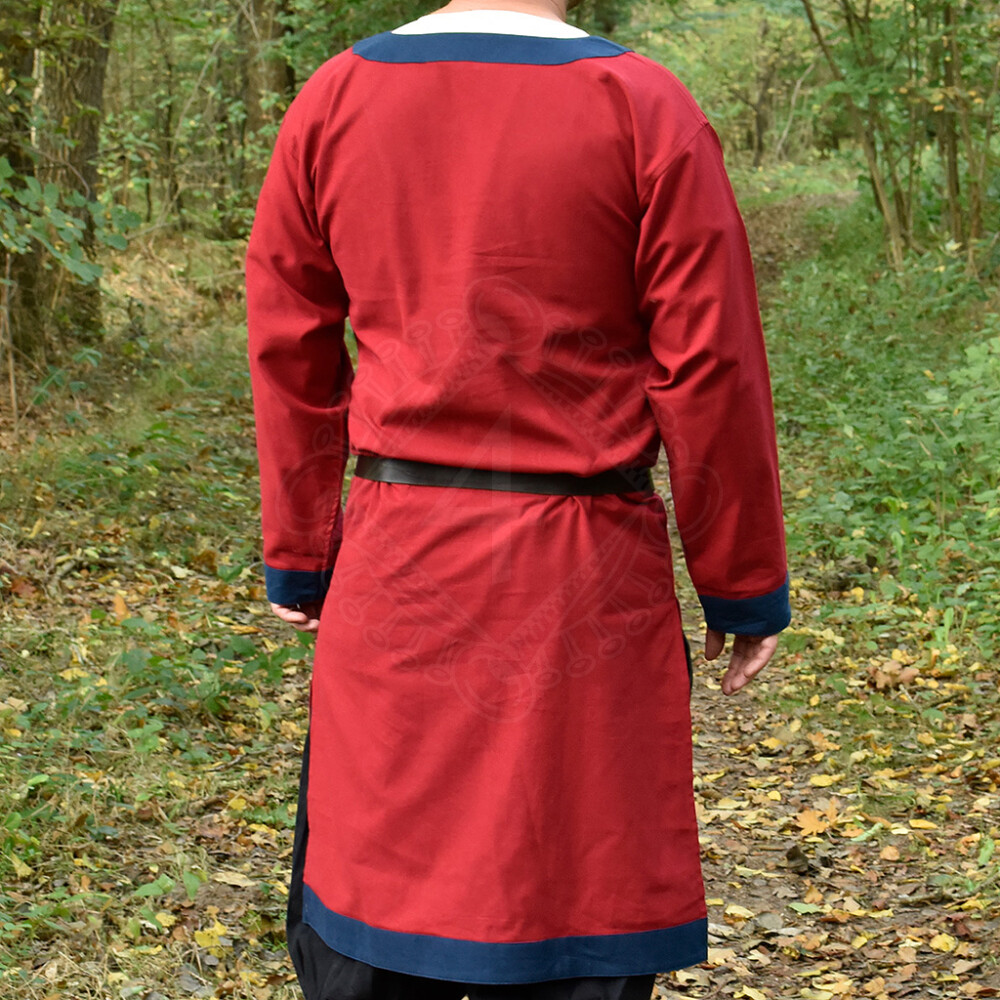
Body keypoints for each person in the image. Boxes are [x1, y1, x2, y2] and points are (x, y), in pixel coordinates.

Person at [246, 1, 791, 998]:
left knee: (381, 921)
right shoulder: (643, 106)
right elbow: (710, 367)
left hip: (401, 561)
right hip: (584, 570)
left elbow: (292, 346)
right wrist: (741, 580)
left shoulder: (335, 98)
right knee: (573, 912)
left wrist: (301, 548)